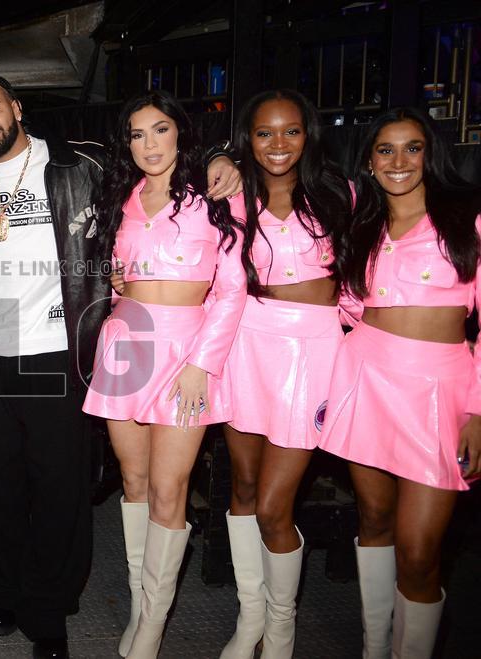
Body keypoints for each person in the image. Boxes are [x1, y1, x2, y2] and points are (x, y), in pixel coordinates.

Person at [0, 73, 241, 658]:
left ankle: (51, 606)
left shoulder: (80, 165)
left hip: (64, 349)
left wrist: (220, 157)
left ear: (15, 105)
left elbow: (153, 149)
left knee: (62, 488)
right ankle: (5, 585)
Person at [83, 91, 246, 658]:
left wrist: (203, 364)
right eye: (136, 134)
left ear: (181, 132)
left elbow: (232, 290)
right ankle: (137, 601)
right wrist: (116, 284)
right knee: (133, 481)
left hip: (186, 350)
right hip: (126, 345)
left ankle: (152, 623)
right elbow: (114, 276)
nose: (148, 144)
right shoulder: (121, 198)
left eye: (159, 130)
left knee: (170, 488)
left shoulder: (216, 196)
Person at [319, 107, 481, 659]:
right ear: (369, 161)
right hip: (365, 376)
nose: (399, 161)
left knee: (418, 551)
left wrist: (478, 412)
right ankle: (373, 648)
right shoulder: (363, 226)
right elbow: (347, 304)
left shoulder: (468, 220)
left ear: (431, 154)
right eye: (385, 149)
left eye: (412, 148)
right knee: (376, 519)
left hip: (440, 391)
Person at [217, 90, 353, 659]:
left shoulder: (338, 194)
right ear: (248, 139)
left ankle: (281, 628)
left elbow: (363, 274)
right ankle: (250, 621)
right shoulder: (232, 195)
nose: (278, 144)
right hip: (247, 339)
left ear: (308, 135)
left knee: (275, 505)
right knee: (243, 490)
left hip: (313, 347)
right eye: (264, 133)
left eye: (290, 131)